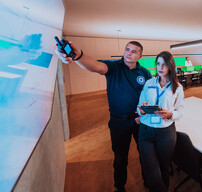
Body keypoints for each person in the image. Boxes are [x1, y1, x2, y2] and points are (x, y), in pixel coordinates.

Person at [55, 41, 152, 192]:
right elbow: (94, 65)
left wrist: (145, 113)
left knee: (145, 154)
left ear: (140, 56)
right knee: (120, 159)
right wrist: (78, 56)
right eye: (127, 49)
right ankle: (119, 188)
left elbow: (150, 96)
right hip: (118, 122)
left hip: (140, 121)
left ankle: (148, 181)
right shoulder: (114, 67)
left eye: (134, 51)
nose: (128, 53)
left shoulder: (145, 73)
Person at [137, 51, 184, 192]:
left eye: (164, 64)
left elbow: (180, 111)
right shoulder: (149, 83)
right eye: (158, 63)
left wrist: (170, 114)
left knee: (164, 166)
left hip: (166, 132)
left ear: (170, 66)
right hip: (146, 131)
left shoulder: (178, 87)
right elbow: (139, 106)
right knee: (151, 168)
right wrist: (142, 110)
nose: (160, 67)